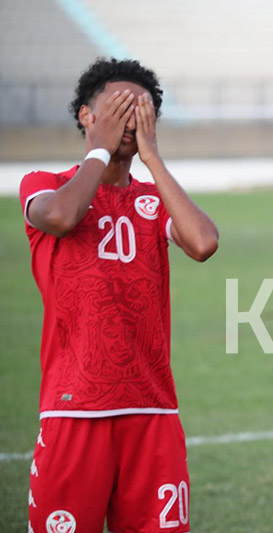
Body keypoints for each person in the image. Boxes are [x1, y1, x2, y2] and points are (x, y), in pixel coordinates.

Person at [20, 58, 219, 533]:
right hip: (74, 407)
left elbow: (204, 243)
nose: (129, 121)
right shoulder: (44, 185)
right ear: (86, 115)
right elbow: (62, 218)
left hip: (152, 410)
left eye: (141, 111)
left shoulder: (152, 201)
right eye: (117, 108)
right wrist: (100, 154)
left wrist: (152, 158)